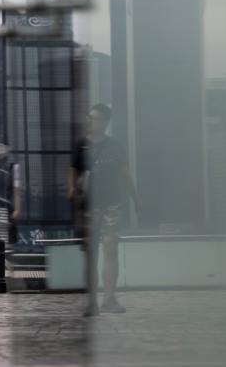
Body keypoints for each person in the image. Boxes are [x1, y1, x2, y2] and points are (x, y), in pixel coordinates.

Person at [68, 104, 142, 316]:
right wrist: (72, 190)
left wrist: (136, 200)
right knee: (91, 253)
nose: (92, 121)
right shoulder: (81, 145)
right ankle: (91, 301)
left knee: (110, 247)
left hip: (112, 203)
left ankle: (109, 299)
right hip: (89, 205)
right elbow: (73, 171)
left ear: (106, 122)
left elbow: (126, 174)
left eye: (97, 118)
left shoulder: (115, 146)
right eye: (90, 117)